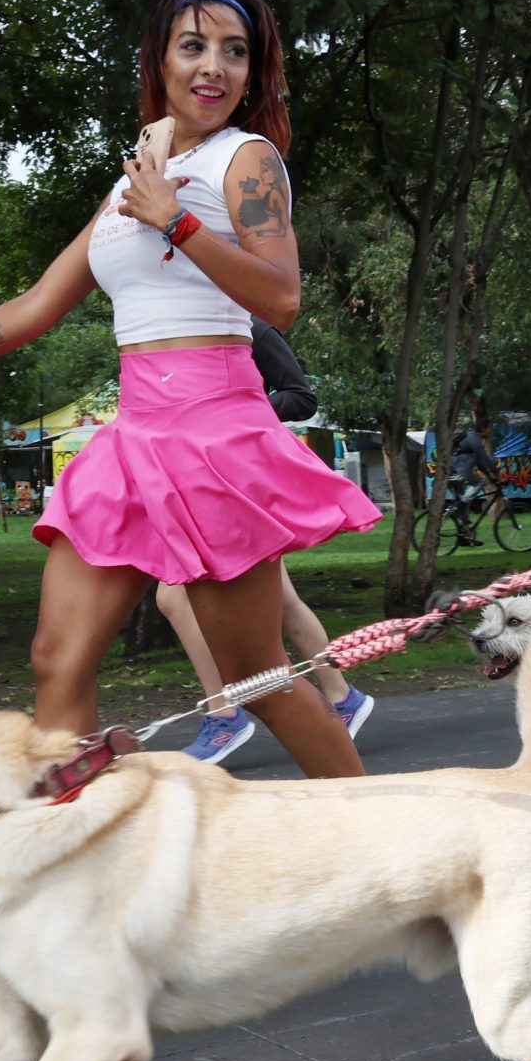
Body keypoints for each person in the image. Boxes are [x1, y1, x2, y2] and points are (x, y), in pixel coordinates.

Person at [0, 0, 382, 984]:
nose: (212, 68)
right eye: (191, 47)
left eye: (233, 52)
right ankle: (58, 903)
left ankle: (388, 858)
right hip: (132, 441)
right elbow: (37, 306)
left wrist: (175, 221)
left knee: (260, 680)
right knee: (56, 662)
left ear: (252, 72)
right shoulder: (137, 169)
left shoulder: (243, 163)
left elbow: (283, 297)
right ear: (158, 59)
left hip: (217, 434)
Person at [157, 317, 376, 763]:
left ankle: (225, 714)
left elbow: (300, 397)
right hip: (193, 475)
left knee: (175, 596)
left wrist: (234, 412)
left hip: (241, 475)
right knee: (278, 601)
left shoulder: (249, 326)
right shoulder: (173, 331)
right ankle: (341, 696)